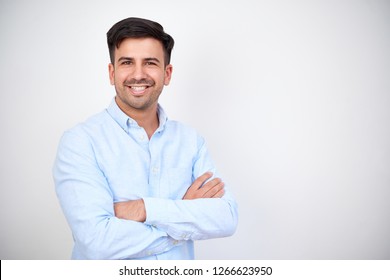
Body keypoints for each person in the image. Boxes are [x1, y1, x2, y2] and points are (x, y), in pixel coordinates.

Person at [53, 17, 238, 260]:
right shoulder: (80, 142)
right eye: (127, 62)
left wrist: (143, 209)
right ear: (112, 72)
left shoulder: (191, 141)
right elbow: (97, 242)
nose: (138, 75)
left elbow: (225, 218)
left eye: (150, 63)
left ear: (167, 73)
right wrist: (183, 219)